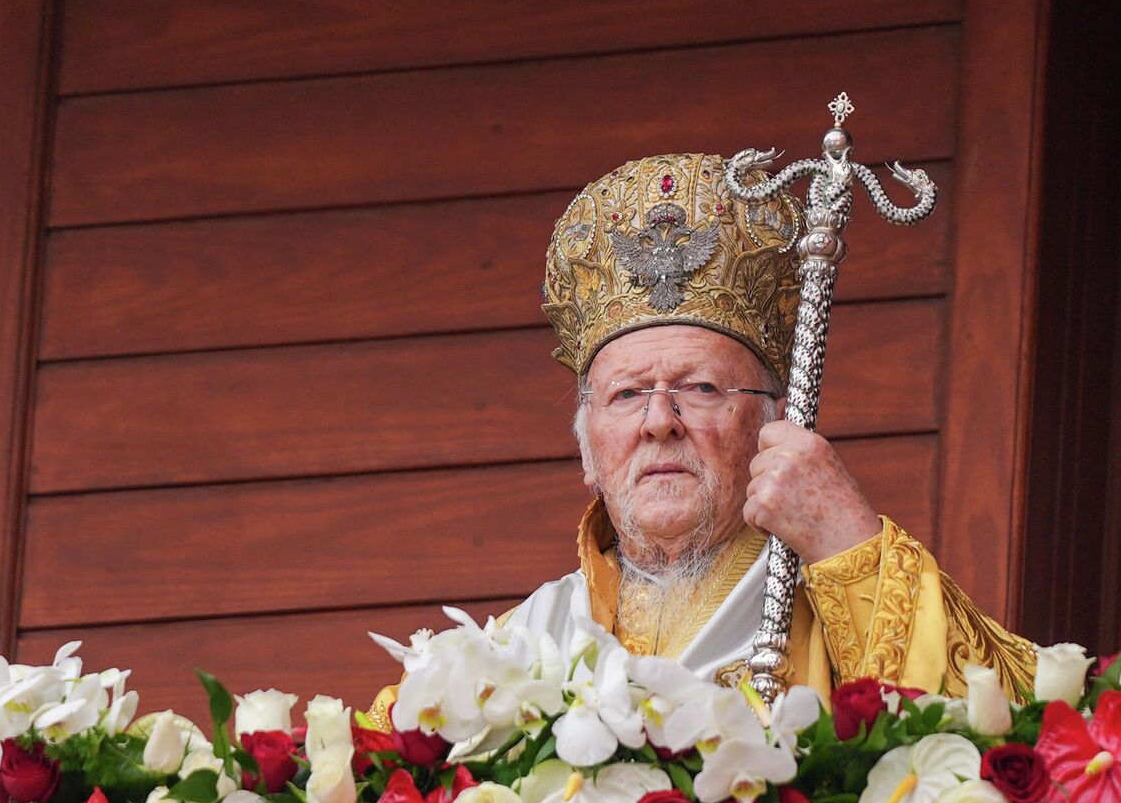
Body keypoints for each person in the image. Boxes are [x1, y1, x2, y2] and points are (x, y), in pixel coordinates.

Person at [384, 152, 1030, 718]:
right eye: (627, 395)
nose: (659, 420)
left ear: (772, 427)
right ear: (589, 451)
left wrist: (846, 537)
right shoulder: (518, 648)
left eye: (700, 389)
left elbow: (1015, 733)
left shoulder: (834, 605)